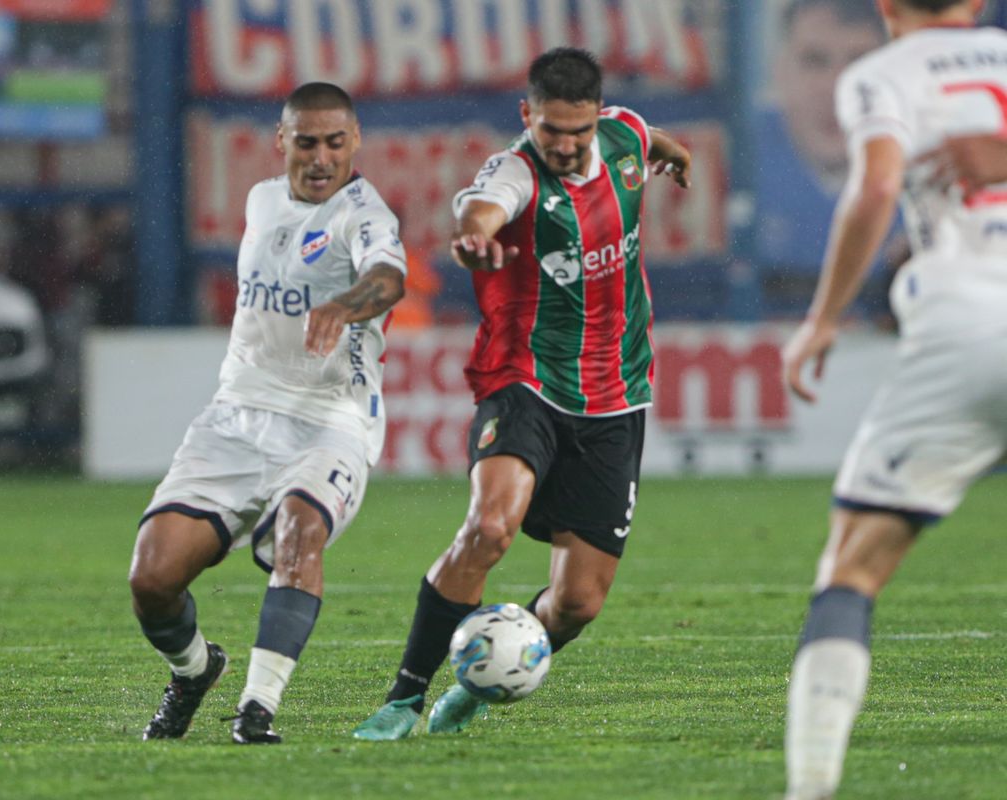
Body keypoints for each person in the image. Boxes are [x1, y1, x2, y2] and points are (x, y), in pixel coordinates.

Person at [351, 47, 691, 741]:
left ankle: (477, 689)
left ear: (598, 116)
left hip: (617, 395)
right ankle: (403, 699)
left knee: (578, 604)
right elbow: (479, 212)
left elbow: (647, 137)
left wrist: (674, 156)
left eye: (577, 131)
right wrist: (474, 241)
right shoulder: (514, 172)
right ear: (525, 115)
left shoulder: (623, 132)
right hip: (525, 379)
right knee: (490, 527)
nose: (564, 146)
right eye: (548, 131)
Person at [128, 82, 406, 744]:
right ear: (282, 142)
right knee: (152, 577)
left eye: (335, 142)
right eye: (306, 142)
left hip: (330, 422)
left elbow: (388, 278)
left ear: (355, 141)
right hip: (236, 419)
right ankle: (195, 671)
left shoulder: (366, 216)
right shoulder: (260, 200)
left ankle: (258, 708)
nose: (320, 157)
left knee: (299, 533)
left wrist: (346, 303)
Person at [779, 3, 1007, 798]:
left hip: (968, 323)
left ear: (884, 7)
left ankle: (810, 789)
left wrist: (823, 319)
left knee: (852, 566)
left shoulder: (883, 74)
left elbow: (877, 184)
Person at [756, 0, 886, 301]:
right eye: (814, 61)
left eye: (859, 63)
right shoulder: (734, 163)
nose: (836, 88)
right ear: (780, 72)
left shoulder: (933, 165)